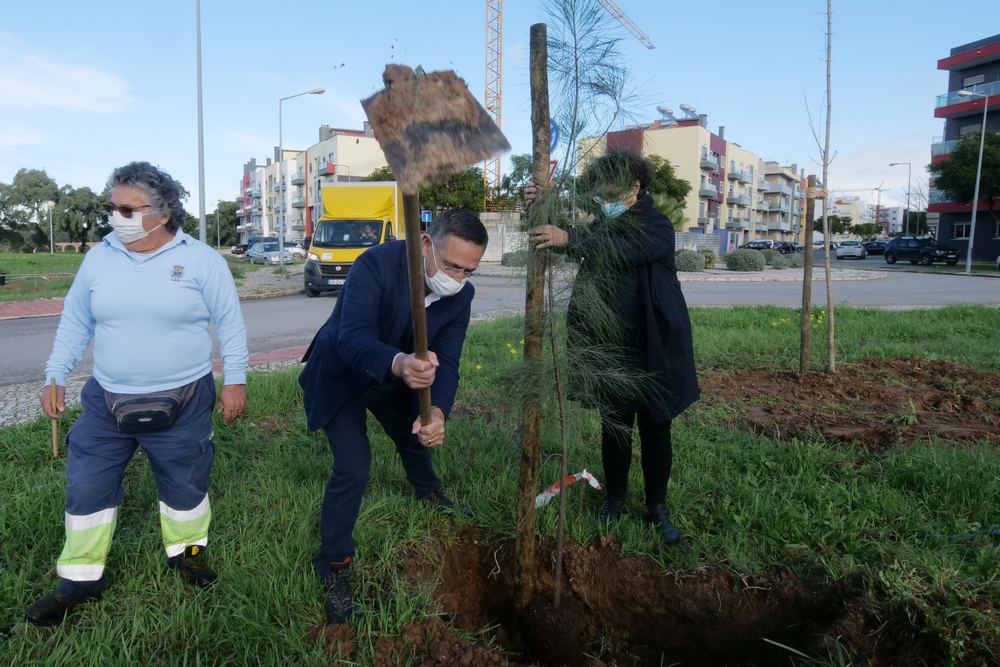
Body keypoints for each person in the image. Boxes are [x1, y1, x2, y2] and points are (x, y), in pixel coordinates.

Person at [26, 162, 249, 626]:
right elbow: (76, 320)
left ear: (162, 213)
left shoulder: (201, 260)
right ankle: (79, 581)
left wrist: (235, 381)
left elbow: (230, 324)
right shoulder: (99, 258)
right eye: (112, 207)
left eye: (127, 209)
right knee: (87, 485)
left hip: (185, 398)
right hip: (106, 401)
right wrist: (56, 374)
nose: (116, 216)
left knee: (185, 485)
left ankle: (188, 556)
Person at [299, 208, 487, 624]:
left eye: (468, 271)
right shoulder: (377, 264)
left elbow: (449, 361)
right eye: (452, 266)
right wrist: (400, 363)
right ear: (426, 244)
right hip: (342, 373)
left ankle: (429, 491)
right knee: (353, 464)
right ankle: (333, 564)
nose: (458, 279)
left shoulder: (461, 296)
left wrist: (436, 411)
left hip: (395, 378)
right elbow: (351, 338)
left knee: (412, 432)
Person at [528, 150, 699, 545]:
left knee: (656, 428)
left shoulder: (657, 225)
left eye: (610, 193)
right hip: (610, 346)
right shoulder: (605, 224)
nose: (604, 199)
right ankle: (615, 500)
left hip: (654, 344)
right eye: (600, 193)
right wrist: (541, 205)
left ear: (635, 187)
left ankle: (657, 508)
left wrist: (570, 237)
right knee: (615, 427)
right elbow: (562, 237)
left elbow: (621, 250)